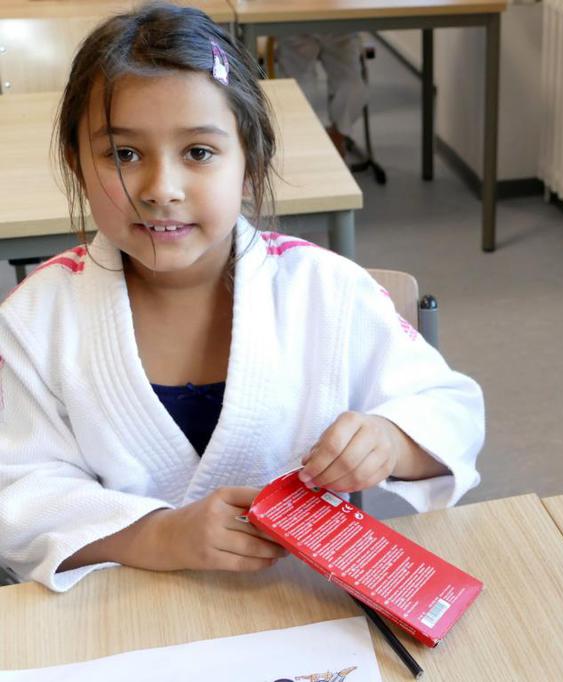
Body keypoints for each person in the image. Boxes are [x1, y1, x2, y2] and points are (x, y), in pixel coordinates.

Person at [0, 3, 484, 592]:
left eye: (199, 153)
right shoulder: (36, 319)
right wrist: (160, 536)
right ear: (76, 164)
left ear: (250, 164)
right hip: (119, 611)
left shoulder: (324, 292)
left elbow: (452, 411)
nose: (161, 189)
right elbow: (17, 493)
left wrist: (390, 440)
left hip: (296, 606)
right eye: (123, 154)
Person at [276, 33, 368, 158]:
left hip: (340, 30)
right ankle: (306, 142)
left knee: (352, 87)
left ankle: (335, 138)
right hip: (298, 30)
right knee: (300, 89)